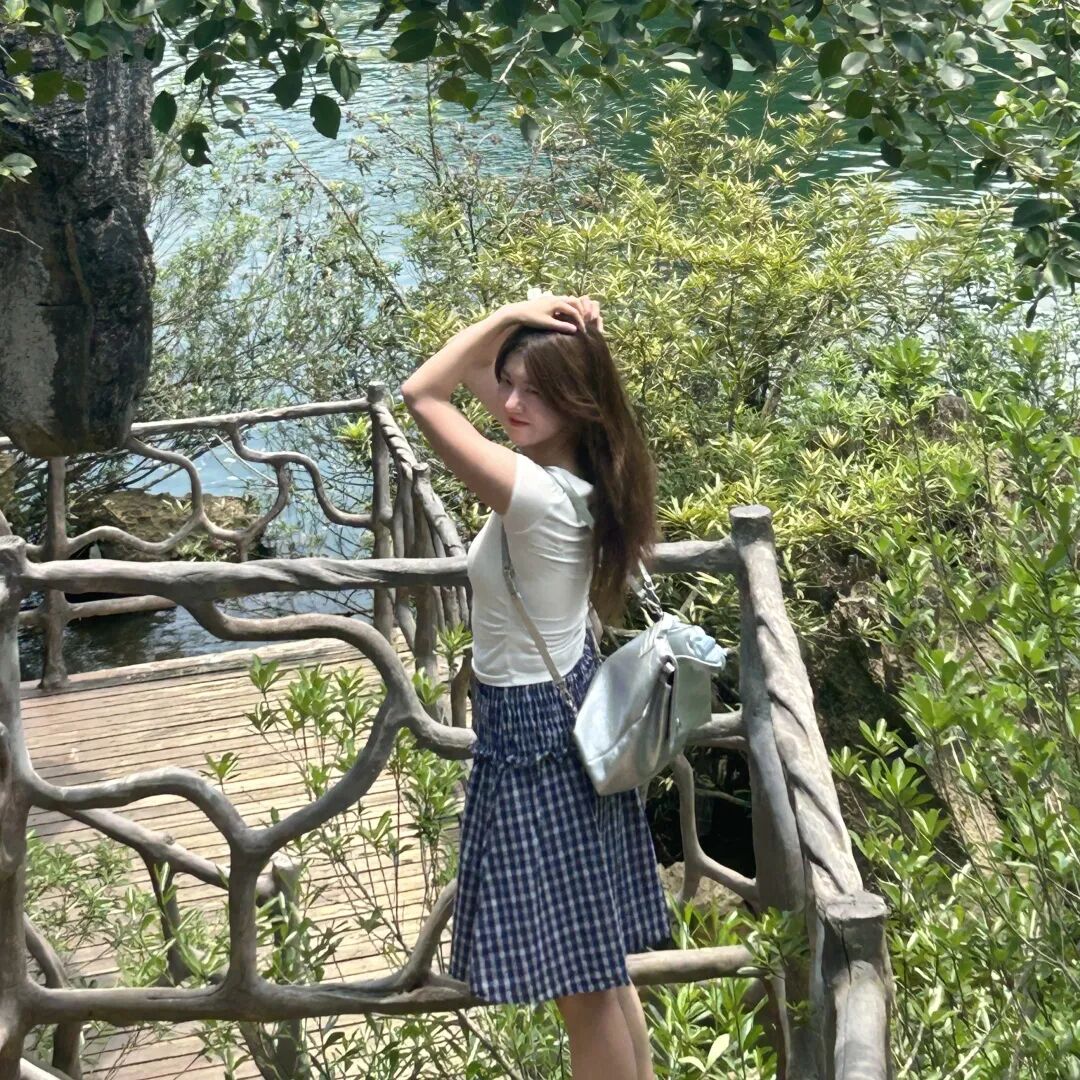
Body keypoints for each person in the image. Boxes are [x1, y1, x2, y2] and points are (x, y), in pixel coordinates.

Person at [399, 292, 672, 1080]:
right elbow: (478, 378)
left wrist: (513, 312)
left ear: (576, 404)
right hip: (566, 714)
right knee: (599, 970)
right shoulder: (578, 470)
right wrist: (541, 335)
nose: (511, 403)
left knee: (580, 992)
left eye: (535, 391)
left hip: (534, 740)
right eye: (511, 385)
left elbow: (423, 394)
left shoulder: (538, 498)